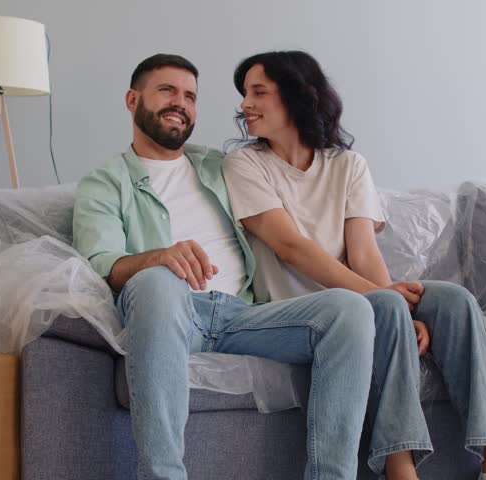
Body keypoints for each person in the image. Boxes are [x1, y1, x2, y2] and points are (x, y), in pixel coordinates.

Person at [73, 53, 379, 480]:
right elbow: (103, 265)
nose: (180, 102)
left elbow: (298, 204)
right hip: (168, 310)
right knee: (157, 282)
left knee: (350, 309)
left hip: (243, 315)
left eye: (190, 96)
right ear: (132, 99)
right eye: (166, 90)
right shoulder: (104, 183)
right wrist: (159, 258)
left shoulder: (225, 165)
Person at [223, 50, 486, 480]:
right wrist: (384, 300)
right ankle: (400, 468)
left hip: (359, 292)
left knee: (454, 300)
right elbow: (291, 247)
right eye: (245, 93)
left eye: (258, 92)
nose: (245, 104)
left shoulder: (348, 164)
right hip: (301, 307)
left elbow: (362, 252)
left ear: (298, 97)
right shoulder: (244, 163)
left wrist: (396, 302)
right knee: (388, 305)